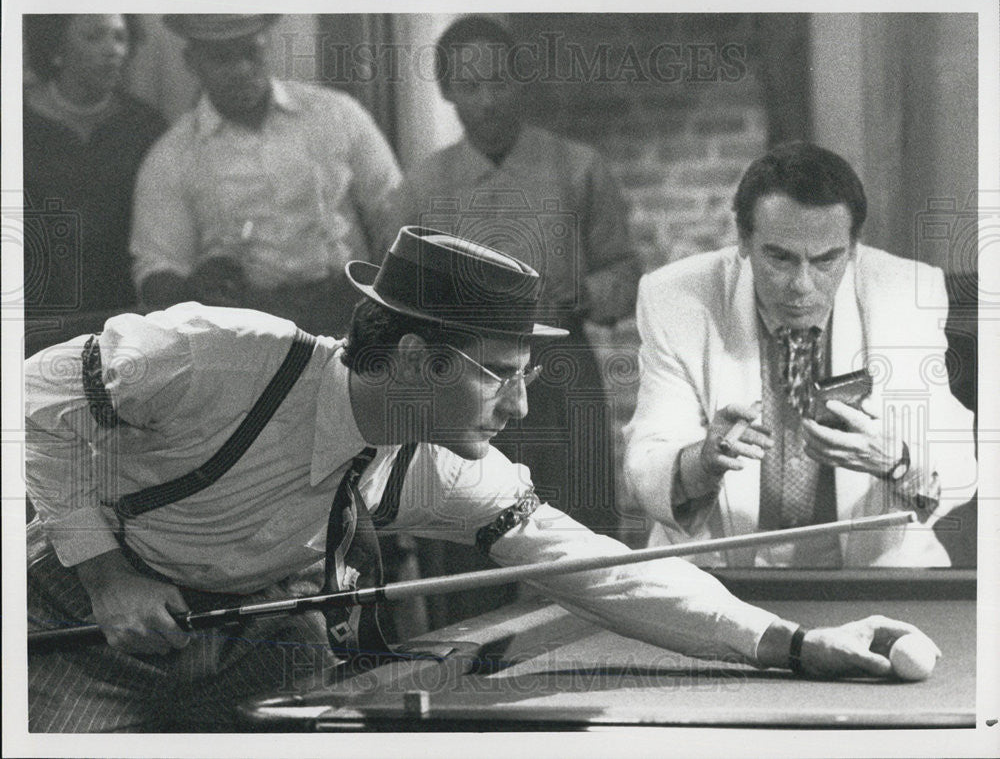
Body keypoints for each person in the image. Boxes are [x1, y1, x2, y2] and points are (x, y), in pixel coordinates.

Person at [26, 226, 940, 732]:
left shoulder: (435, 466)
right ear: (418, 357)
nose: (518, 399)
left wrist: (786, 642)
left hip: (259, 633)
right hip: (81, 627)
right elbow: (29, 395)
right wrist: (106, 570)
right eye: (501, 370)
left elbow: (595, 564)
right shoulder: (225, 357)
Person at [623, 142, 978, 567]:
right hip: (717, 575)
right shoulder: (675, 297)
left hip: (873, 573)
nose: (802, 285)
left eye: (827, 259)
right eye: (780, 258)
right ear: (743, 240)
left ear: (854, 247)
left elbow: (956, 469)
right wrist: (701, 462)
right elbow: (647, 461)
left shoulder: (906, 292)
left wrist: (897, 463)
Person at [379, 15, 639, 540]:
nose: (488, 101)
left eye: (499, 81)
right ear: (448, 90)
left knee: (580, 532)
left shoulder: (577, 167)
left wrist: (586, 292)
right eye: (471, 87)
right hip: (459, 377)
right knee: (467, 531)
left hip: (560, 368)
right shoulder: (421, 189)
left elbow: (625, 272)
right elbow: (393, 306)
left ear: (519, 81)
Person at [129, 14, 401, 337]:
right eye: (222, 58)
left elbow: (396, 215)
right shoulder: (171, 156)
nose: (242, 70)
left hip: (350, 315)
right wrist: (193, 287)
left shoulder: (337, 115)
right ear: (192, 62)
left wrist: (381, 301)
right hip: (246, 334)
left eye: (252, 53)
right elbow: (156, 270)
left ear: (268, 47)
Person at [22, 14, 166, 327]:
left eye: (120, 37)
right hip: (29, 317)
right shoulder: (15, 119)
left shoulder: (145, 126)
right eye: (94, 37)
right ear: (54, 45)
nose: (114, 50)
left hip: (122, 317)